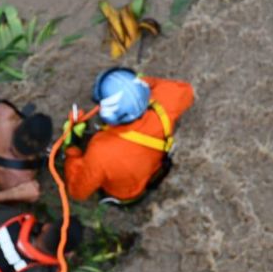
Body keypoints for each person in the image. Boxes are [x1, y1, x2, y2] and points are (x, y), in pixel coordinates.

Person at [64, 67, 194, 204]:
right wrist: (133, 87)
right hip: (157, 169)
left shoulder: (101, 151)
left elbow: (77, 191)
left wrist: (72, 146)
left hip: (129, 194)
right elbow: (187, 90)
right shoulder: (167, 100)